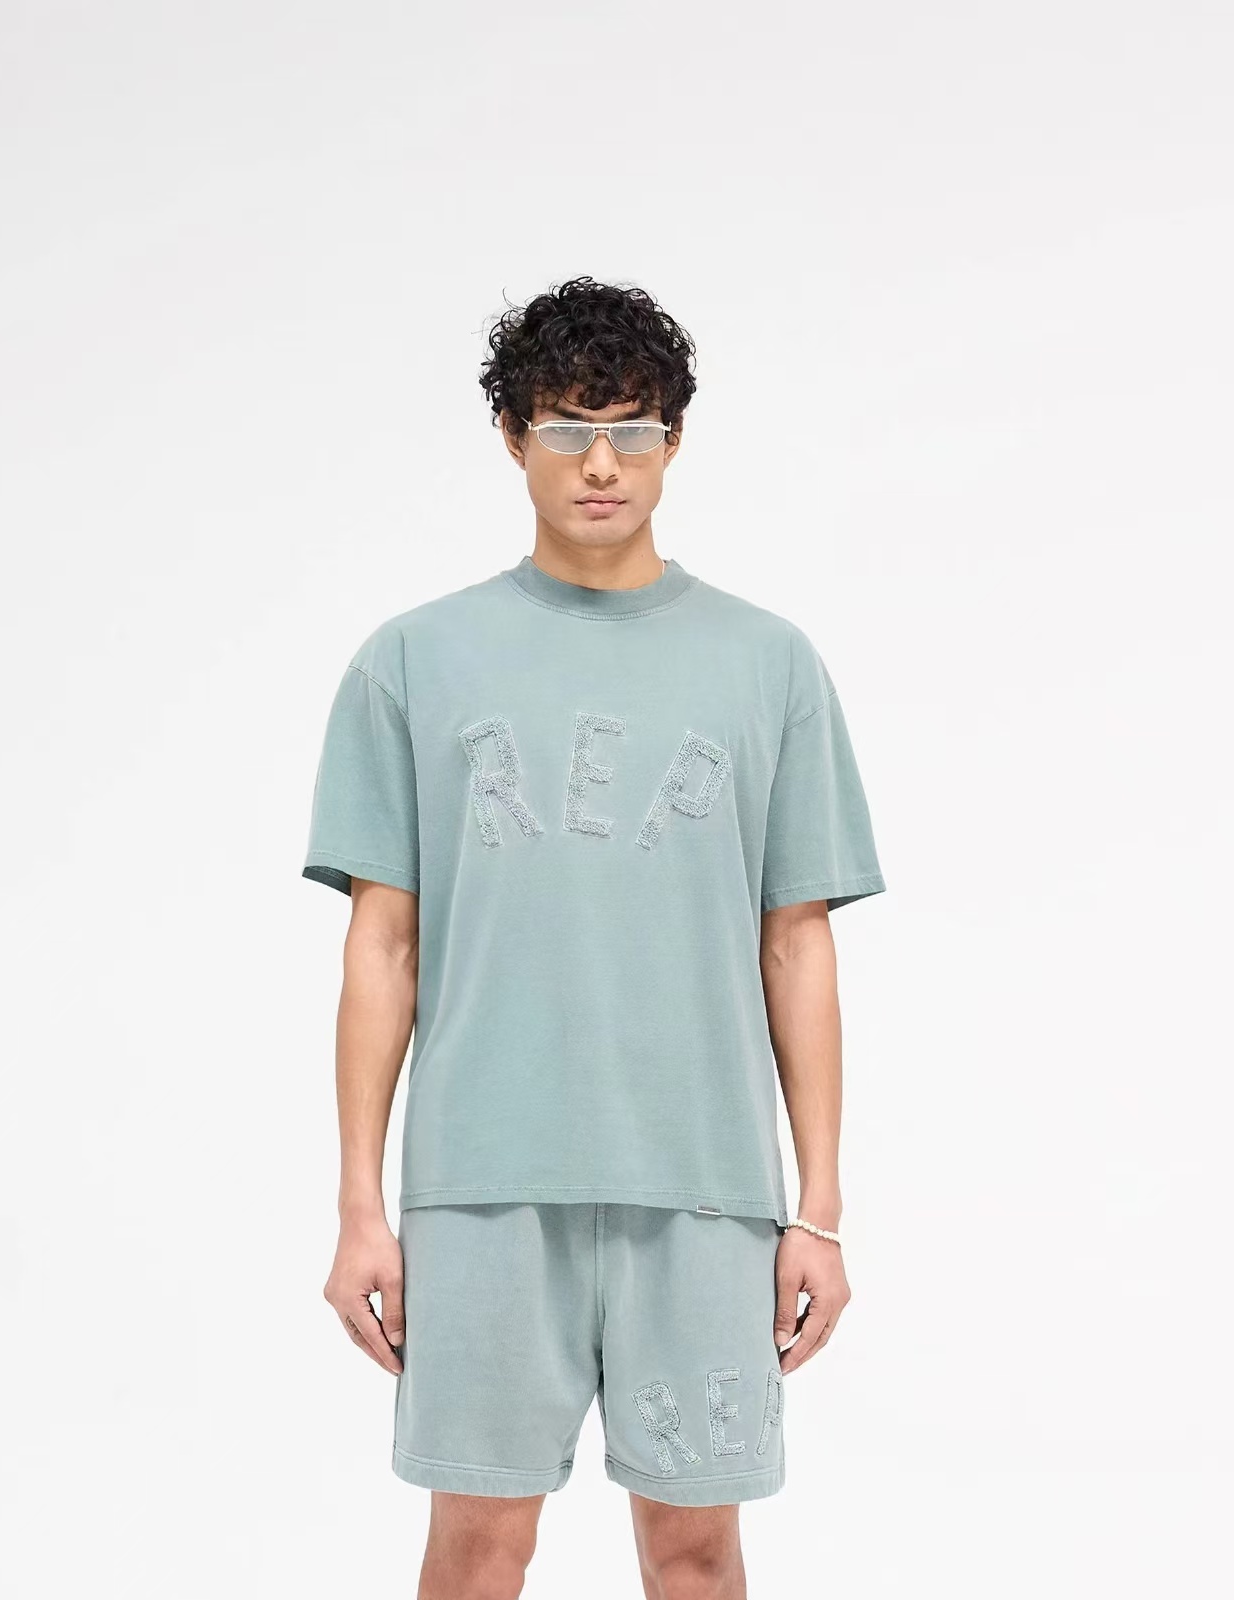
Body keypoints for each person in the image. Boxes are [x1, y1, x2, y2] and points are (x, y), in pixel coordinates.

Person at [302, 275, 886, 1600]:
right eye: (567, 429)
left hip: (704, 1186)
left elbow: (797, 947)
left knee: (695, 1551)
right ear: (514, 437)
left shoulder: (769, 665)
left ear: (675, 439)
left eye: (631, 430)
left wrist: (821, 1209)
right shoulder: (414, 661)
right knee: (478, 1545)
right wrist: (359, 1206)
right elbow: (382, 950)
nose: (601, 464)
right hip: (483, 1184)